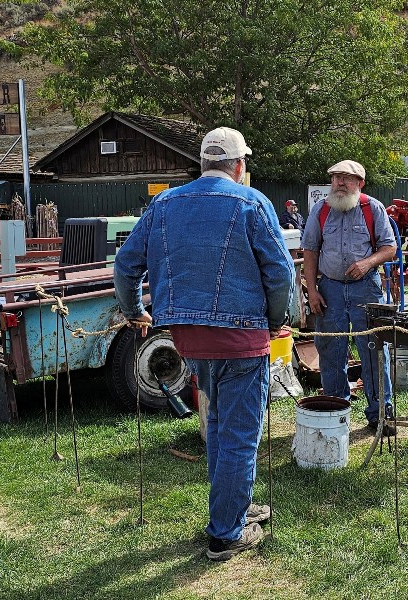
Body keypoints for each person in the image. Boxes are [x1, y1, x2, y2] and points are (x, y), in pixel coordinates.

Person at [114, 126, 295, 561]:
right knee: (238, 434)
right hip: (242, 337)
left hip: (188, 339)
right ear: (238, 165)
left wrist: (134, 310)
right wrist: (275, 323)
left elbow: (125, 264)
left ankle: (232, 509)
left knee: (216, 425)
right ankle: (226, 534)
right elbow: (281, 274)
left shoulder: (165, 202)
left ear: (203, 163)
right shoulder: (251, 202)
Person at [301, 160, 398, 434]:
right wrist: (312, 290)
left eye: (346, 178)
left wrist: (368, 263)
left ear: (360, 183)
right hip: (329, 289)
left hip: (366, 288)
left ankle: (381, 415)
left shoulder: (373, 209)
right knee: (331, 351)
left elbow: (389, 248)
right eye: (335, 178)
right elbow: (310, 250)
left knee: (374, 351)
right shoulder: (321, 210)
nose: (339, 183)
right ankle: (335, 413)